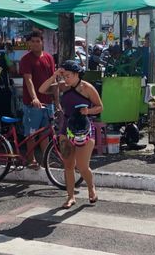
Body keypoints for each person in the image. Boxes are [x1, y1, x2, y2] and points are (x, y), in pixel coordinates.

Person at [39, 60, 103, 209]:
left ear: (76, 74)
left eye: (68, 76)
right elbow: (42, 90)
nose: (66, 79)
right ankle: (70, 197)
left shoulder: (87, 88)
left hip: (83, 128)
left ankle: (91, 187)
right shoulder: (63, 86)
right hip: (66, 128)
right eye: (64, 75)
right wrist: (54, 75)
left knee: (82, 166)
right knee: (68, 165)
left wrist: (88, 111)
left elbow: (100, 107)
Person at [19, 29, 60, 168]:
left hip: (48, 102)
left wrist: (57, 101)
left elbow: (53, 80)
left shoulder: (49, 57)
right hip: (32, 103)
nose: (36, 44)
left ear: (42, 42)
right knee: (31, 133)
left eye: (38, 41)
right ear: (29, 44)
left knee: (46, 133)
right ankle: (31, 160)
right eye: (33, 41)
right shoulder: (26, 59)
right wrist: (34, 98)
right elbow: (28, 80)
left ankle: (46, 160)